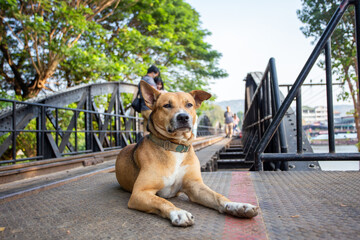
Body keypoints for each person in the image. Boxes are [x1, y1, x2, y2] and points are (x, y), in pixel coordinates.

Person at [139, 65, 160, 134]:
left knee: (145, 130)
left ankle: (145, 144)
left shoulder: (143, 79)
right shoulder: (149, 80)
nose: (155, 77)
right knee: (158, 126)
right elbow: (154, 93)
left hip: (143, 108)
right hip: (149, 109)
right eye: (156, 75)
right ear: (154, 72)